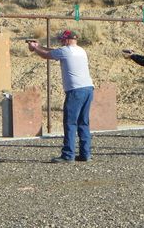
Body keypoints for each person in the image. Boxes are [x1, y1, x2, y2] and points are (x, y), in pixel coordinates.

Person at [27, 30, 94, 163]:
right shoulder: (81, 50)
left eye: (63, 40)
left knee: (70, 122)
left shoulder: (66, 51)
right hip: (88, 89)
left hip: (76, 91)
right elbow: (54, 51)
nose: (61, 42)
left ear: (67, 40)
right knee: (83, 122)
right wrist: (38, 46)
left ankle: (68, 155)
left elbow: (47, 55)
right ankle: (85, 154)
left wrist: (35, 49)